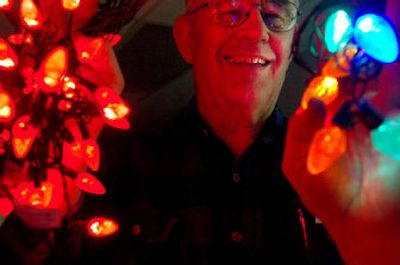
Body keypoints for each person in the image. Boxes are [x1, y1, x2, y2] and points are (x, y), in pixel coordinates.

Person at [88, 0, 399, 264]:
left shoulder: (337, 175)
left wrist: (372, 245)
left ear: (291, 49)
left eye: (275, 16)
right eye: (231, 11)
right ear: (187, 38)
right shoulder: (121, 163)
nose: (256, 31)